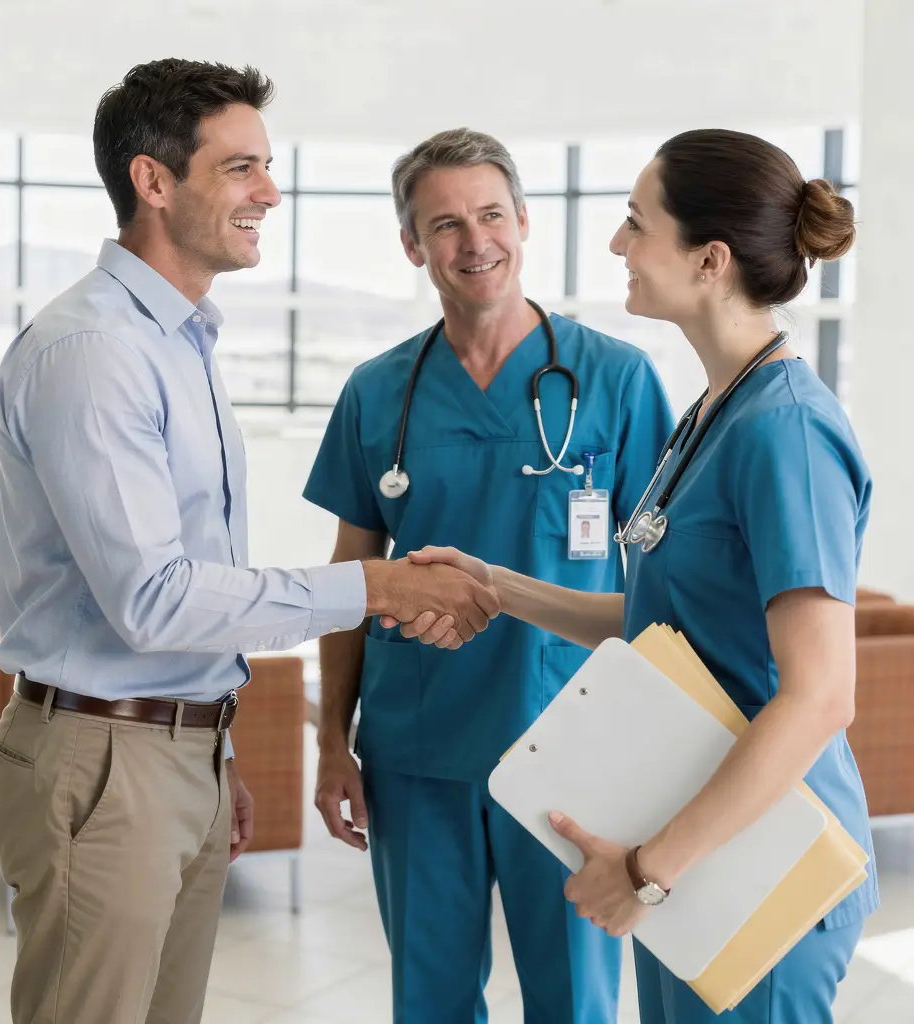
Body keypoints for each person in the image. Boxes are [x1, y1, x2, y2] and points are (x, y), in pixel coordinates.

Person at [0, 60, 498, 1024]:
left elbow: (190, 588)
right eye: (240, 168)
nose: (270, 191)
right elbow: (157, 598)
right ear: (153, 180)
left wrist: (207, 753)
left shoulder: (180, 342)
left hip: (168, 749)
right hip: (106, 761)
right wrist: (377, 590)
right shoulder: (94, 351)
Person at [403, 129, 879, 1024]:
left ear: (709, 259)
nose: (617, 244)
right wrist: (496, 586)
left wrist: (648, 873)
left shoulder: (787, 434)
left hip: (763, 856)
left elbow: (819, 697)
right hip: (696, 845)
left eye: (635, 222)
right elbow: (662, 624)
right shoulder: (713, 412)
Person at [303, 127, 674, 1023]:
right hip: (417, 749)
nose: (475, 243)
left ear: (524, 221)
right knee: (428, 1000)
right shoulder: (376, 391)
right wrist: (330, 742)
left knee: (574, 1001)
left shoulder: (616, 381)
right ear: (411, 244)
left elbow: (668, 587)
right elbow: (351, 578)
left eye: (491, 215)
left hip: (576, 751)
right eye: (445, 224)